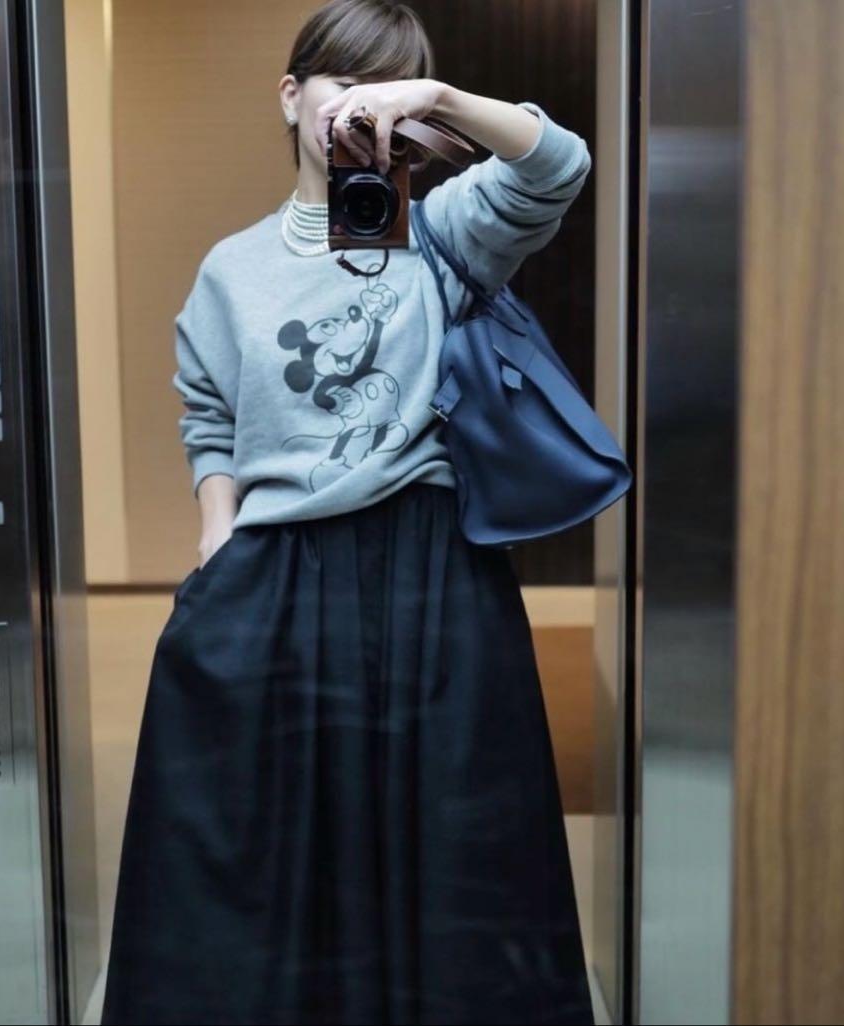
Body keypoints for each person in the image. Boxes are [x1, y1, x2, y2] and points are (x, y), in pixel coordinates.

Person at [100, 1, 594, 1023]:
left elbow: (558, 166)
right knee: (260, 836)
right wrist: (217, 534)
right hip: (276, 573)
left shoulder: (449, 233)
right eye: (341, 85)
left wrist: (439, 98)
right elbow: (209, 415)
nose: (358, 110)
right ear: (291, 97)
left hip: (432, 572)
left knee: (455, 833)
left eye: (384, 90)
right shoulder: (232, 268)